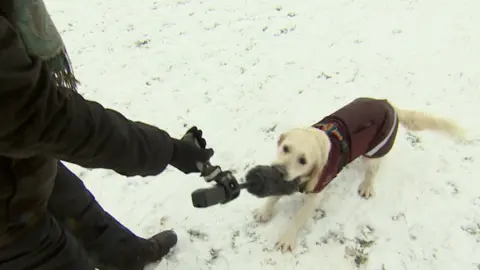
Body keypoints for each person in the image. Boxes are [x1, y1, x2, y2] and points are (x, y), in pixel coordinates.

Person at [0, 1, 214, 269]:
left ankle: (126, 255)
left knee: (64, 194)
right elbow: (41, 116)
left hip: (14, 157)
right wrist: (166, 150)